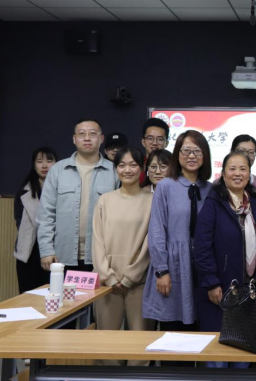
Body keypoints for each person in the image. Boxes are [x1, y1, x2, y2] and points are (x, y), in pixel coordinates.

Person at [194, 150, 256, 370]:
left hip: (248, 290)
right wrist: (212, 282)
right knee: (217, 356)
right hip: (221, 289)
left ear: (249, 174)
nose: (237, 173)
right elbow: (202, 246)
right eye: (232, 169)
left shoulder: (255, 202)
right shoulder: (214, 202)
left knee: (243, 355)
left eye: (243, 169)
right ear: (223, 174)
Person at [142, 130, 213, 340]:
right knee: (172, 331)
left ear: (205, 155)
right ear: (177, 154)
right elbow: (157, 230)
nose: (191, 156)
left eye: (197, 151)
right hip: (173, 266)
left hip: (202, 266)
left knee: (202, 331)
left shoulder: (212, 189)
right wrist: (162, 270)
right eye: (186, 150)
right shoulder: (165, 186)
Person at [92, 147, 154, 365]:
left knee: (140, 346)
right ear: (115, 168)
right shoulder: (105, 200)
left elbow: (150, 244)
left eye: (133, 165)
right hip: (107, 284)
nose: (127, 170)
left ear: (142, 168)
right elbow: (97, 241)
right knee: (106, 346)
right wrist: (108, 276)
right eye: (122, 165)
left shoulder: (152, 200)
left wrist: (130, 277)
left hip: (139, 282)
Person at [37, 119, 119, 272]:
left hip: (102, 256)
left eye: (92, 134)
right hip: (62, 256)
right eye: (81, 134)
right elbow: (46, 214)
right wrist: (46, 250)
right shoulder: (58, 170)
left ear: (101, 138)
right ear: (74, 139)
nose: (87, 138)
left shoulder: (114, 171)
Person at [14, 147, 58, 293]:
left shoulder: (64, 189)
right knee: (28, 296)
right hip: (29, 251)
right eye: (39, 161)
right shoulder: (23, 191)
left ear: (57, 164)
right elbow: (19, 221)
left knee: (54, 295)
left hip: (55, 251)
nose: (44, 166)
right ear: (34, 165)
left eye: (49, 161)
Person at [229, 134, 256, 207]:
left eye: (251, 152)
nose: (246, 155)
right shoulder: (218, 184)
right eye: (241, 151)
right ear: (232, 152)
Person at [139, 118, 170, 185]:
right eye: (150, 138)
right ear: (143, 142)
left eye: (160, 139)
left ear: (166, 143)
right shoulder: (136, 166)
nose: (155, 143)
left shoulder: (174, 166)